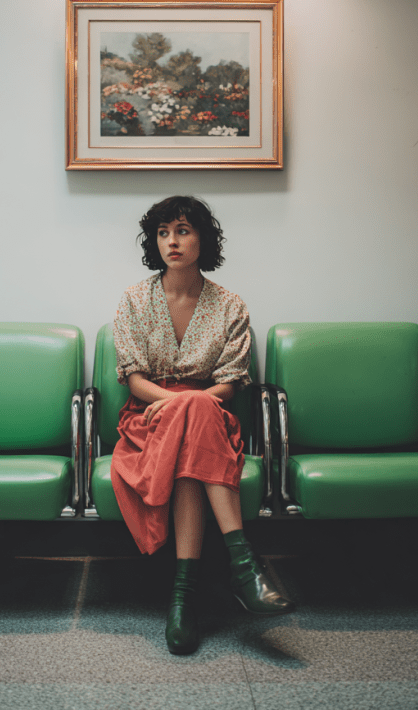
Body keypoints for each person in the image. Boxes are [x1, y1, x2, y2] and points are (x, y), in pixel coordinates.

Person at [111, 195, 294, 656]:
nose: (172, 241)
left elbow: (229, 384)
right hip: (149, 418)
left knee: (196, 424)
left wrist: (191, 403)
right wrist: (178, 403)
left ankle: (182, 599)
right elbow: (134, 379)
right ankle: (243, 567)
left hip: (210, 414)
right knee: (191, 423)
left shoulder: (230, 305)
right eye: (163, 233)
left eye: (183, 230)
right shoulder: (134, 299)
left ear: (202, 239)